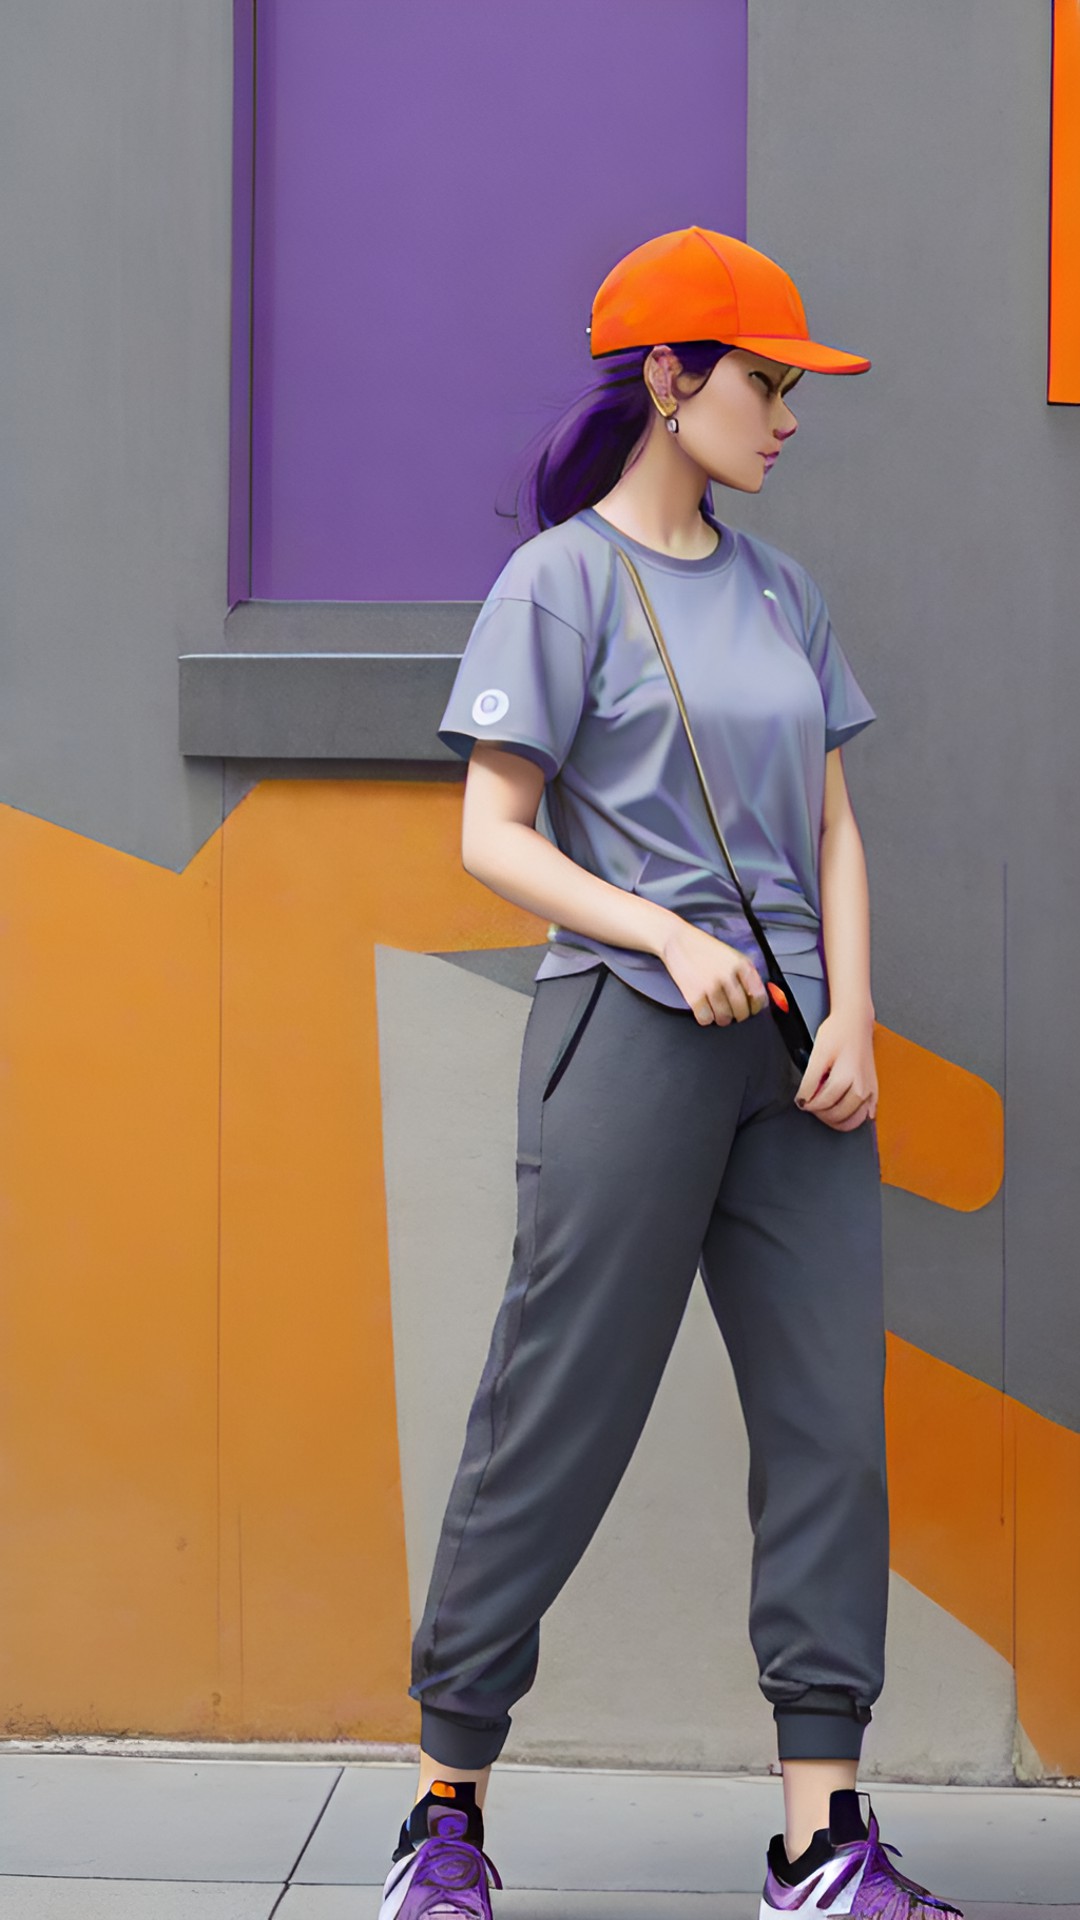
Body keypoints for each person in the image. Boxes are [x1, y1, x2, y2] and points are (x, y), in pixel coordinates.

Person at [378, 227, 962, 1920]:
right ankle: (444, 1810)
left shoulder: (785, 591)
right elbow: (492, 833)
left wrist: (852, 1011)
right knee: (553, 1420)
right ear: (669, 381)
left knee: (829, 1432)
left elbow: (837, 824)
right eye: (768, 382)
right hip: (629, 1038)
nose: (789, 415)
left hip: (796, 1065)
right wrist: (662, 931)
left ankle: (819, 1840)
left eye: (792, 387)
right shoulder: (558, 581)